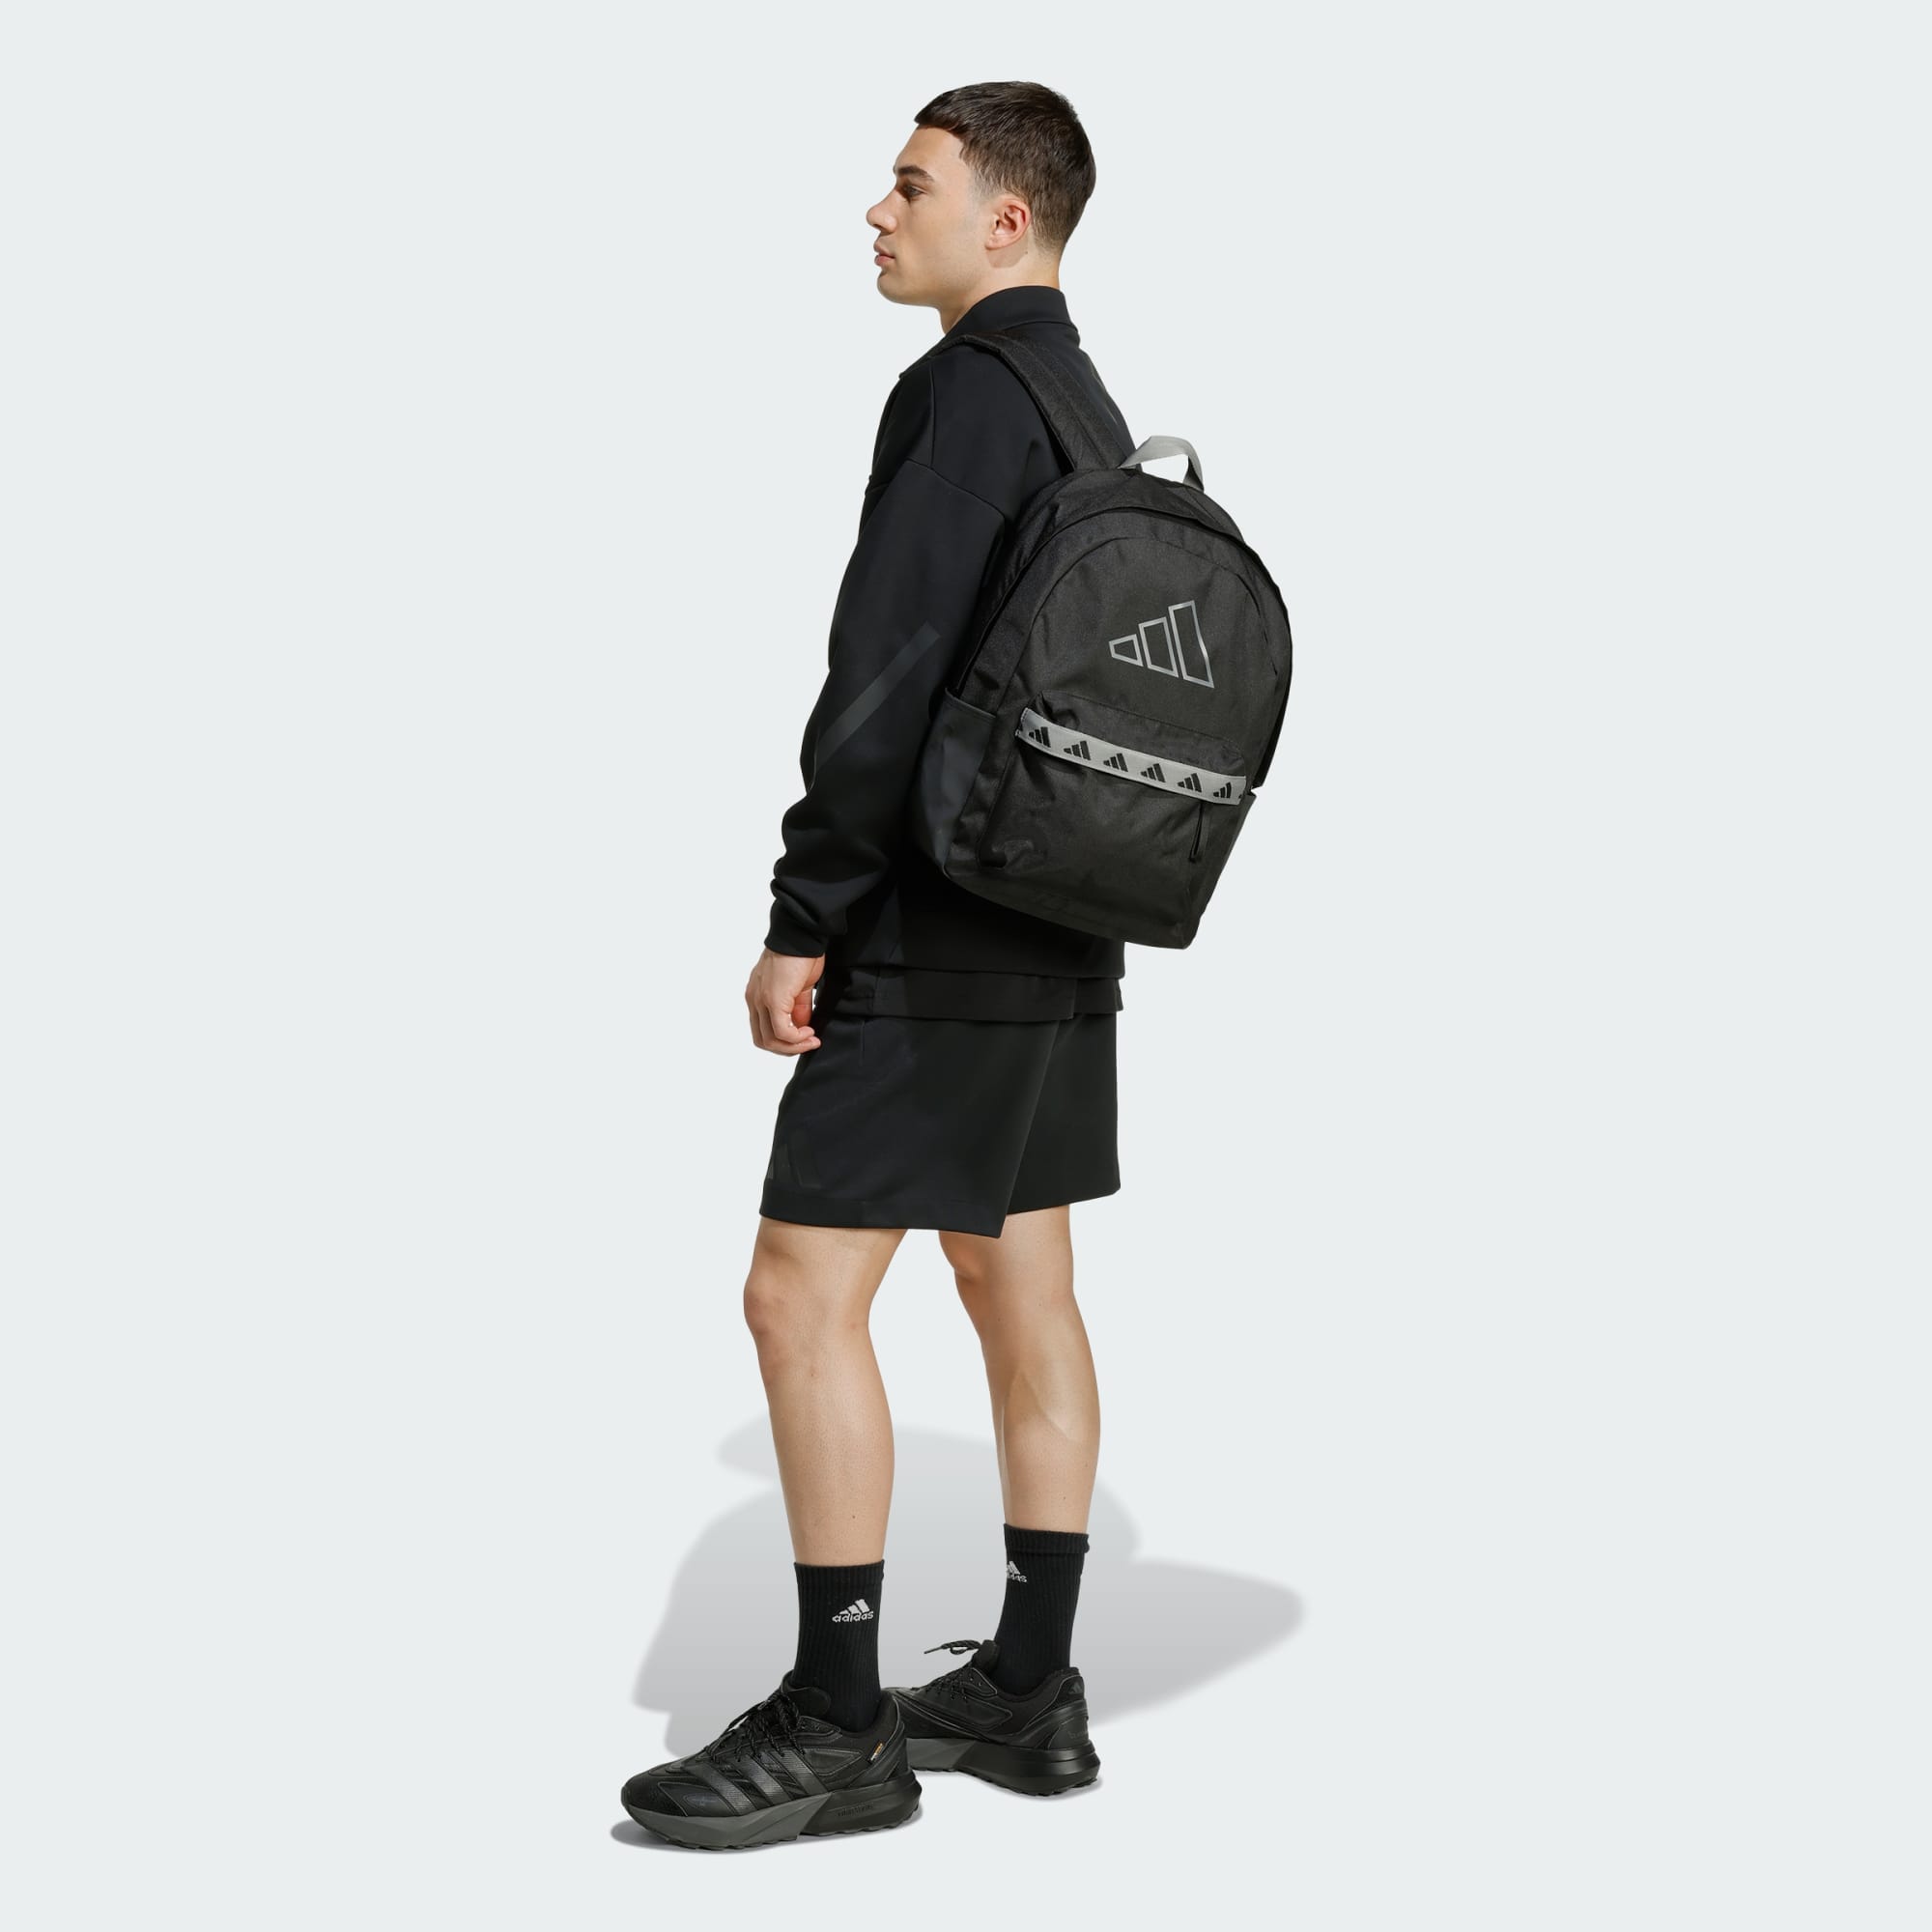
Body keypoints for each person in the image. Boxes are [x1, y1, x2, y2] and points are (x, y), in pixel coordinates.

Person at [622, 81, 1127, 1850]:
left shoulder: (966, 391)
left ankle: (842, 1723)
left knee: (797, 1293)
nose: (877, 211)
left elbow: (890, 672)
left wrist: (805, 908)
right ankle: (1029, 1690)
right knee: (1017, 1276)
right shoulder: (1088, 404)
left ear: (1007, 217)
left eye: (911, 185)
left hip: (936, 922)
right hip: (1062, 916)